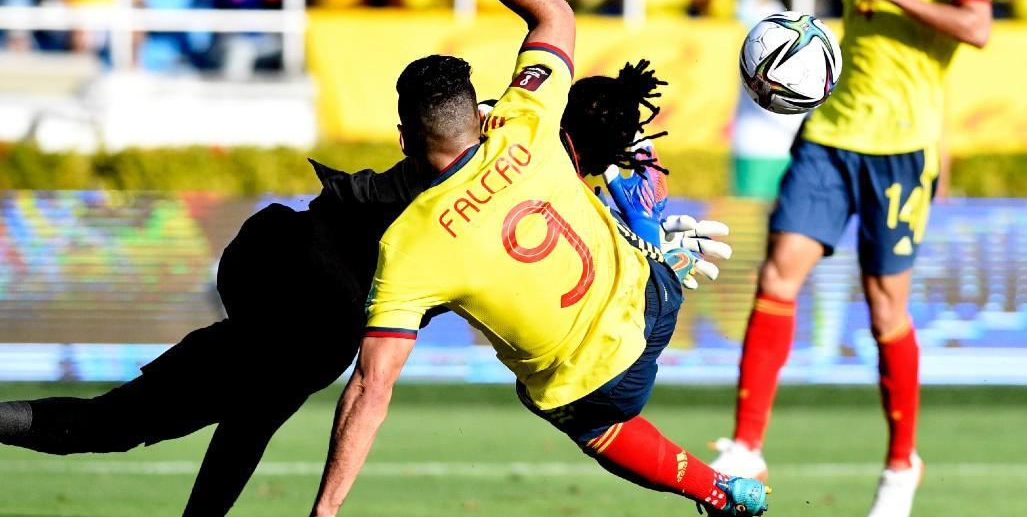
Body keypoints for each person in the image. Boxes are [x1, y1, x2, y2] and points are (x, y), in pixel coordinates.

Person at [0, 44, 725, 516]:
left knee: (207, 411)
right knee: (151, 420)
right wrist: (646, 240)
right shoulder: (512, 184)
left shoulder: (504, 131)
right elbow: (370, 386)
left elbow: (565, 120)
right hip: (314, 303)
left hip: (276, 249)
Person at [306, 0, 769, 517]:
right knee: (581, 137)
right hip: (655, 300)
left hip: (605, 380)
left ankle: (714, 491)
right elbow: (555, 13)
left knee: (559, 401)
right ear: (478, 115)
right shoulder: (524, 118)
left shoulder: (410, 248)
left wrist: (325, 511)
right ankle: (644, 237)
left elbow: (371, 387)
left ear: (404, 139)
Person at [709, 0, 992, 517]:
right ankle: (746, 443)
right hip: (831, 134)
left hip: (901, 149)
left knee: (884, 305)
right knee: (778, 272)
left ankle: (901, 464)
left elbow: (977, 28)